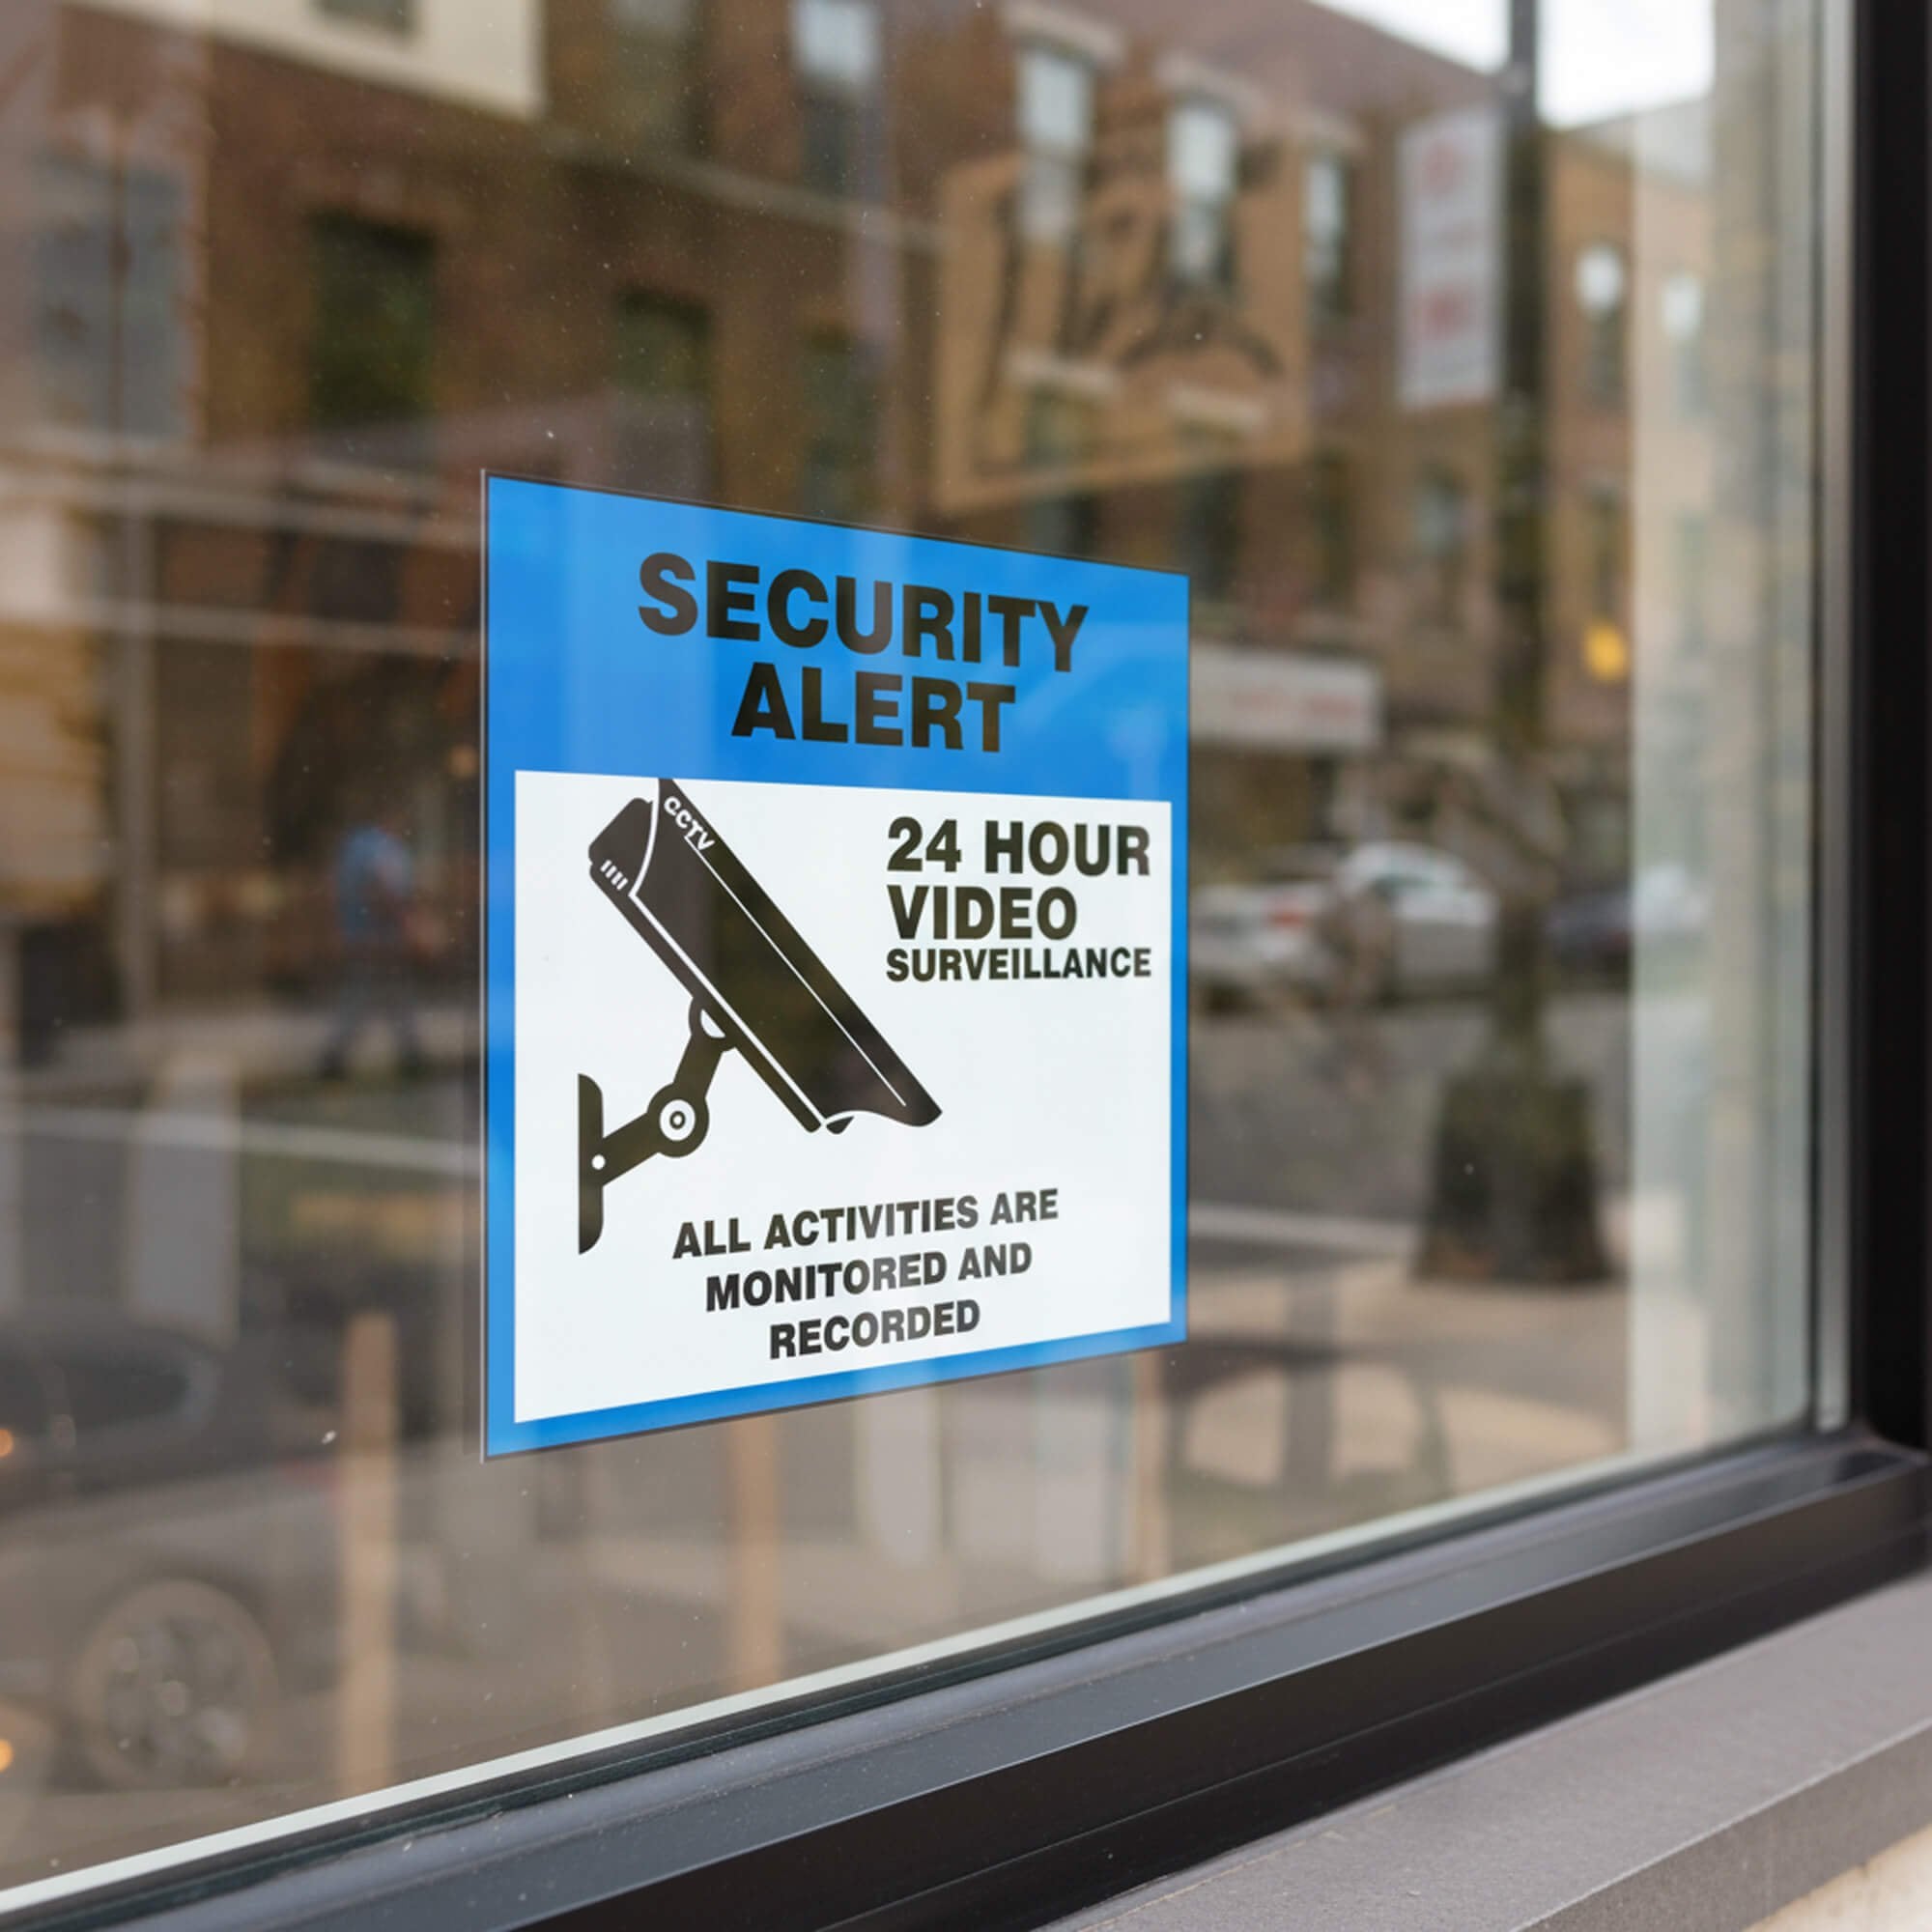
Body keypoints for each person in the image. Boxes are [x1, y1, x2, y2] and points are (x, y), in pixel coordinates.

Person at [318, 807, 425, 1079]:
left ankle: (407, 1053)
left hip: (363, 935)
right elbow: (383, 889)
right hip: (379, 937)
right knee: (375, 995)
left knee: (381, 995)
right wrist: (407, 924)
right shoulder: (382, 848)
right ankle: (338, 1056)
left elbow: (341, 889)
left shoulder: (355, 846)